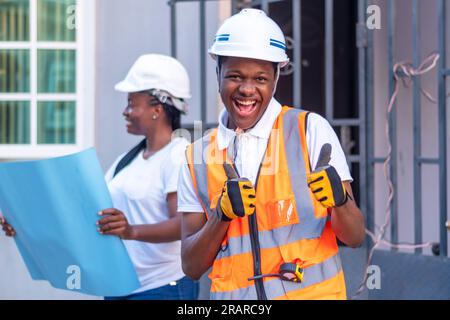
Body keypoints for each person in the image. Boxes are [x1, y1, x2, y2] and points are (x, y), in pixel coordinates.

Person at [177, 9, 365, 300]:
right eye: (235, 76)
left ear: (276, 76)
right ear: (218, 73)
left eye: (261, 79)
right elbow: (191, 266)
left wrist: (339, 202)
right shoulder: (197, 157)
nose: (247, 90)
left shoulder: (310, 131)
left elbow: (354, 237)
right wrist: (221, 216)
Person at [1, 54, 199, 300]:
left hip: (161, 289)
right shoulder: (126, 162)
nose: (125, 111)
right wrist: (24, 223)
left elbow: (184, 225)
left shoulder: (177, 155)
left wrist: (131, 231)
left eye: (131, 103)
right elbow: (90, 215)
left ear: (157, 109)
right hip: (120, 287)